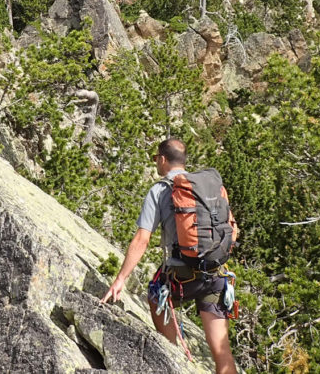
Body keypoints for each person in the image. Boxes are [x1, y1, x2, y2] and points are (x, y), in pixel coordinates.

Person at [101, 138, 238, 374]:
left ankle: (172, 354)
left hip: (181, 277)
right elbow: (231, 229)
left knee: (156, 293)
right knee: (222, 351)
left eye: (156, 159)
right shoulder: (208, 186)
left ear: (162, 159)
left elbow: (142, 239)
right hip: (216, 275)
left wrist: (120, 279)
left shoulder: (160, 190)